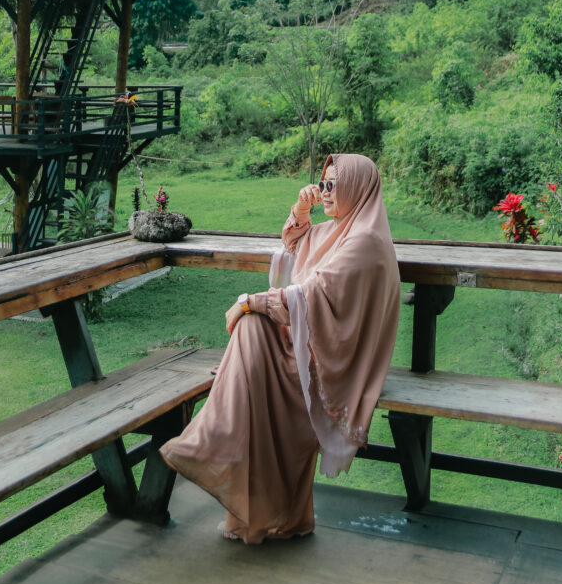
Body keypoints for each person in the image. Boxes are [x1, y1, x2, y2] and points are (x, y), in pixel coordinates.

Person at [159, 152, 400, 544]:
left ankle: (213, 443)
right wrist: (301, 209)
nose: (325, 192)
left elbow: (305, 296)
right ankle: (217, 449)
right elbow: (297, 242)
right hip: (308, 346)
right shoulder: (343, 230)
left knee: (252, 330)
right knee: (252, 333)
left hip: (336, 364)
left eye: (332, 185)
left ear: (357, 187)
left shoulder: (365, 241)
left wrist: (248, 301)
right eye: (322, 184)